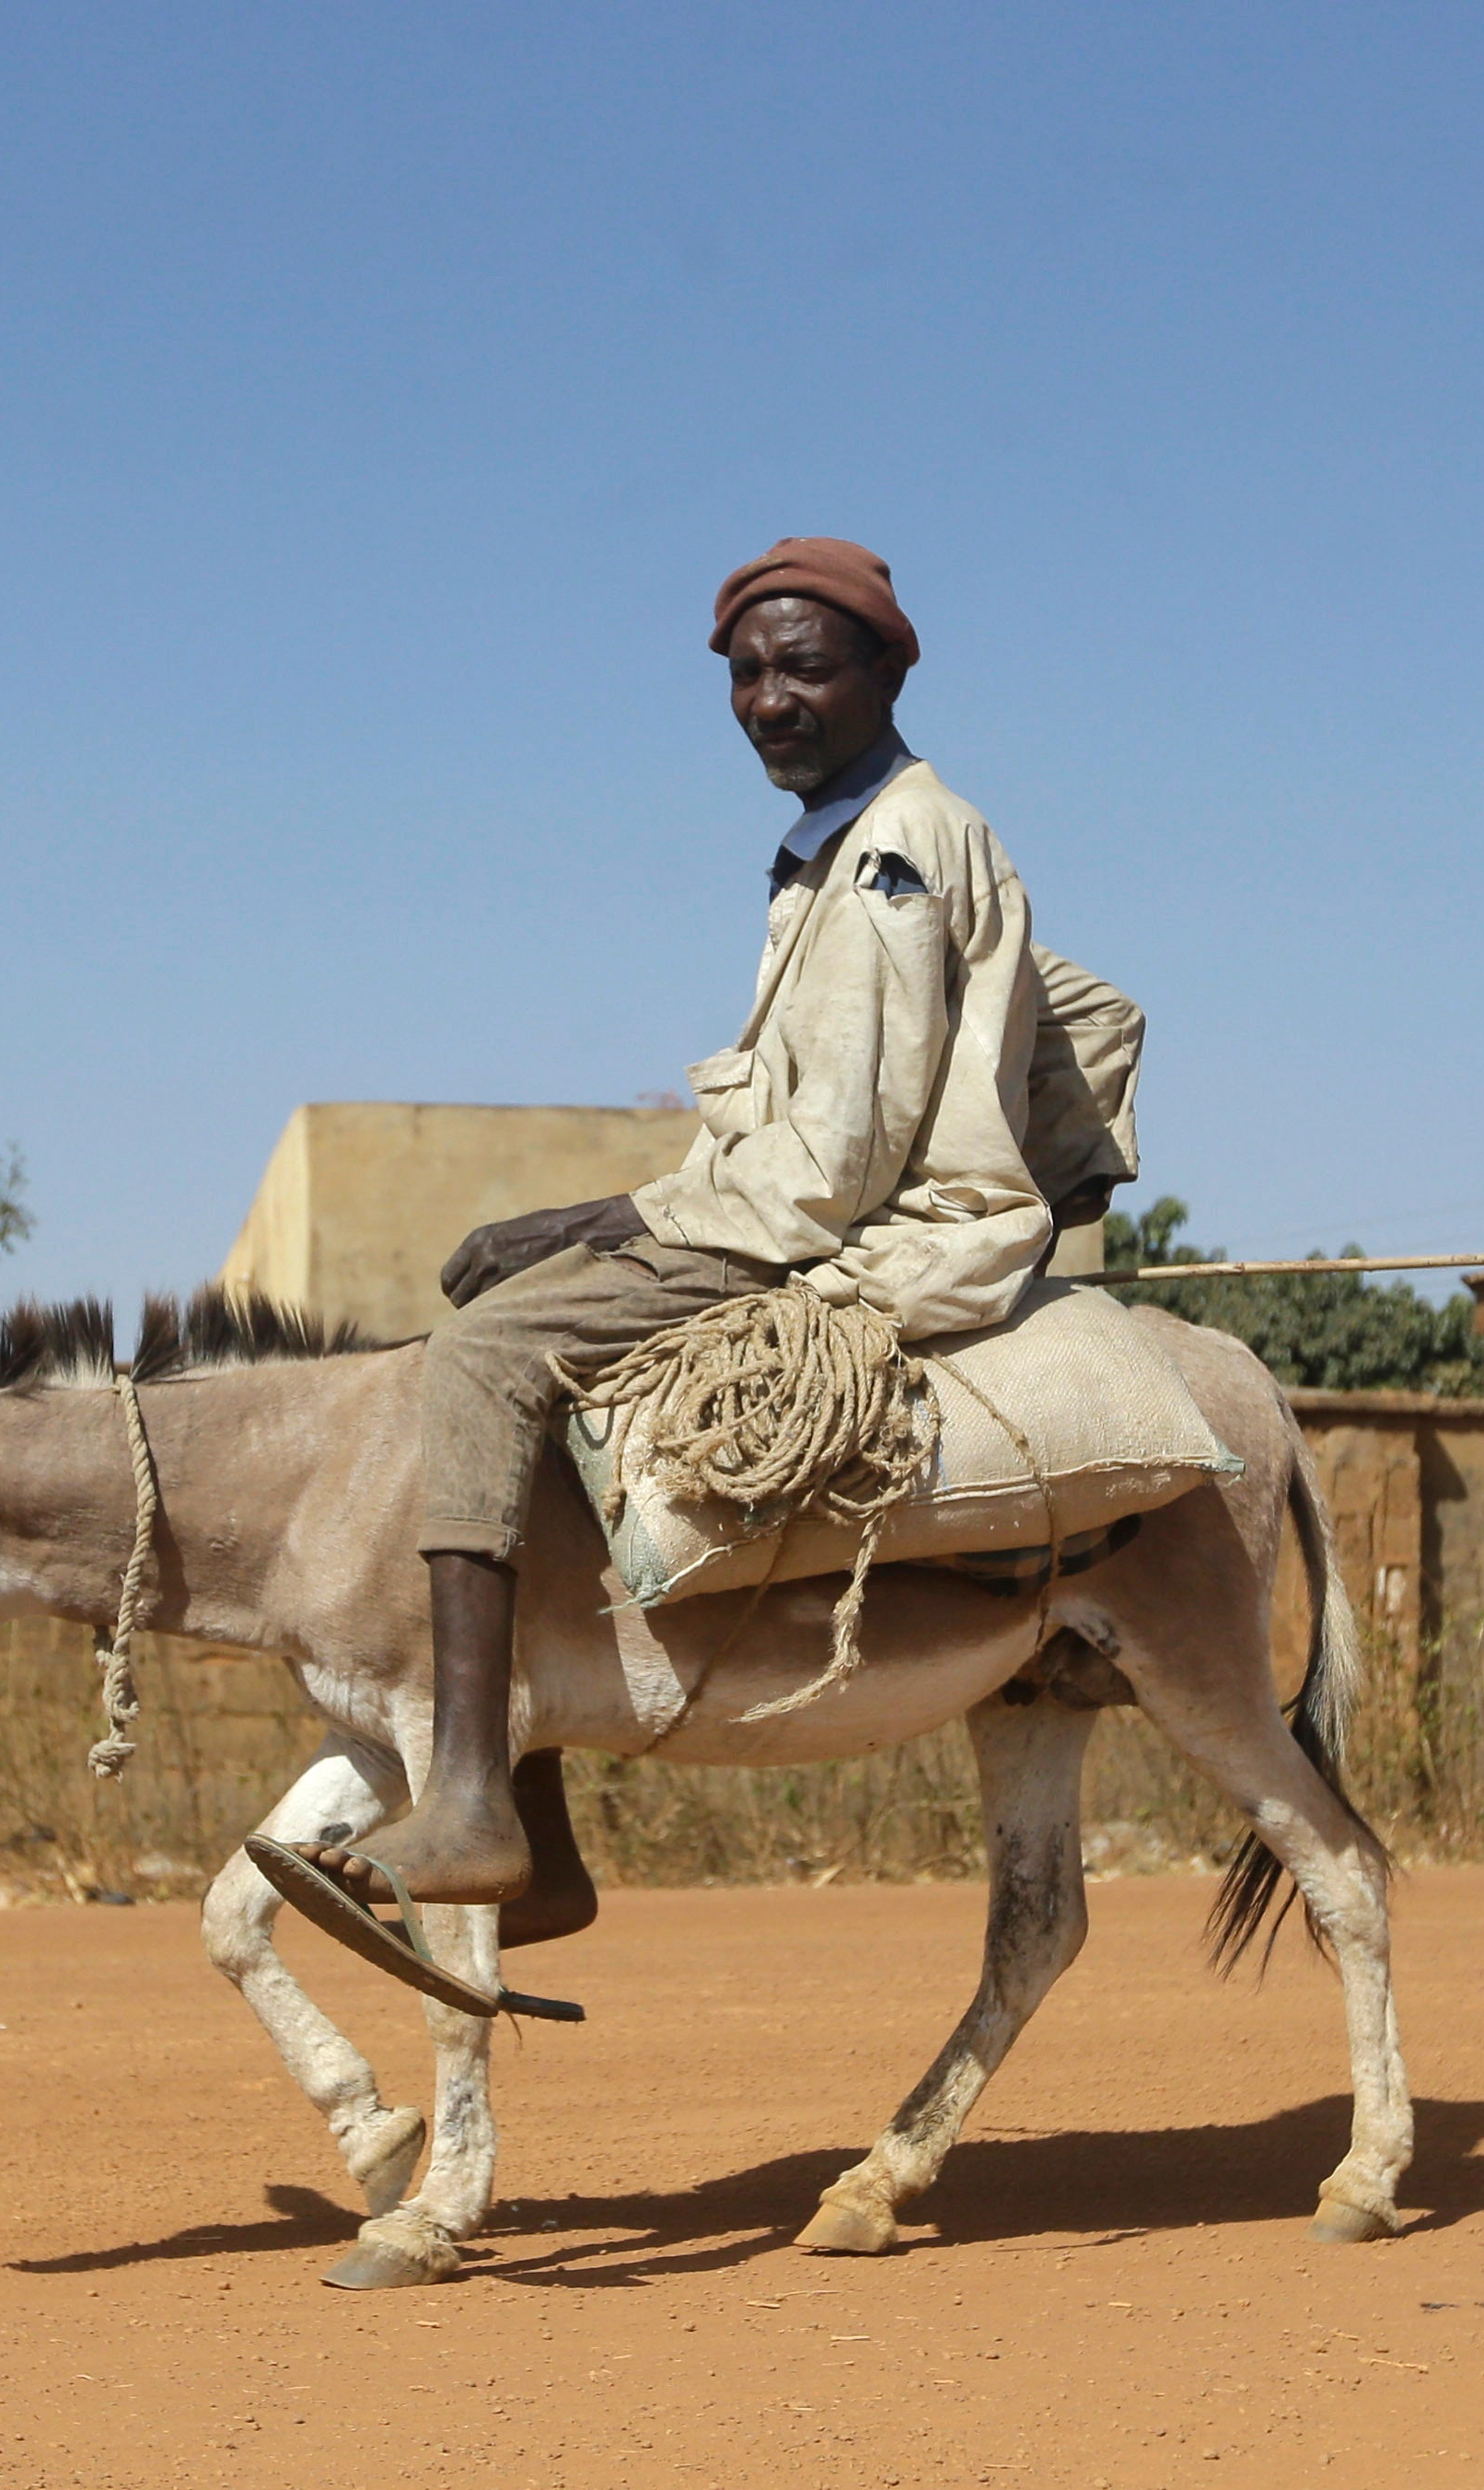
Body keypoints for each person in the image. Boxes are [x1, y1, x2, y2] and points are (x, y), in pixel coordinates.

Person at [300, 538, 1059, 1937]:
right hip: (807, 1212)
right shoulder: (826, 850)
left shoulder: (893, 850)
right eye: (748, 673)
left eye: (806, 668)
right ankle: (537, 1829)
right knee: (521, 1328)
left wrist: (594, 1214)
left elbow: (831, 1165)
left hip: (867, 1234)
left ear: (890, 668)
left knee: (477, 1358)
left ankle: (473, 1792)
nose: (770, 699)